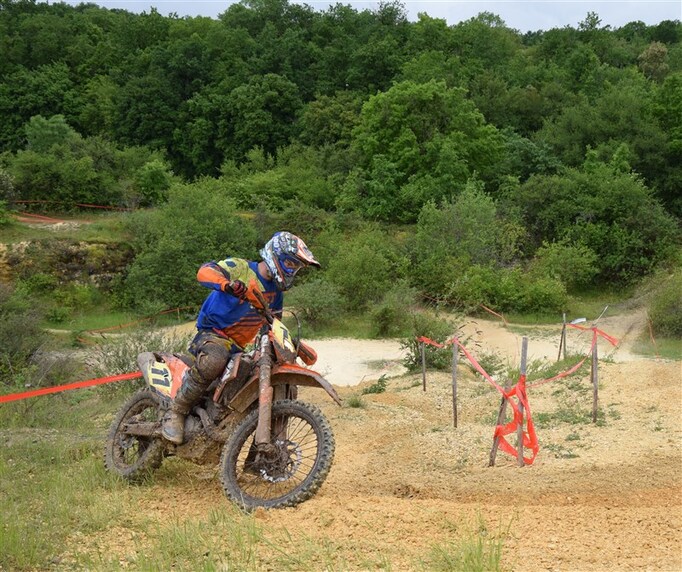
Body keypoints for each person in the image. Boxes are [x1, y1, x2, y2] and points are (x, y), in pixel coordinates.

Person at [161, 231, 320, 445]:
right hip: (213, 334)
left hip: (239, 348)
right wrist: (227, 284)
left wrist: (294, 345)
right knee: (215, 358)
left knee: (268, 380)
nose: (293, 270)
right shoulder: (241, 268)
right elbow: (204, 272)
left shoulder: (276, 294)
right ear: (277, 256)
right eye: (291, 264)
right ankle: (176, 411)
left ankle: (261, 453)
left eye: (297, 267)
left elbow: (274, 325)